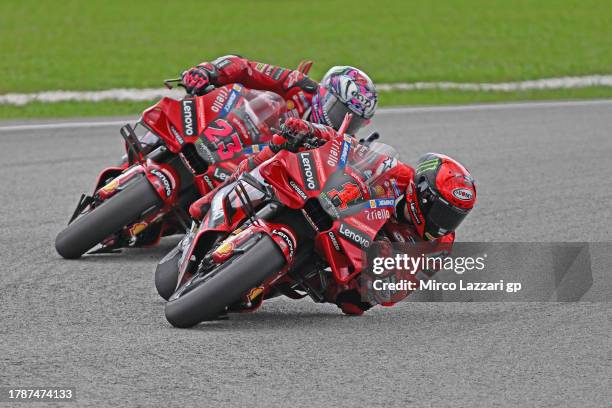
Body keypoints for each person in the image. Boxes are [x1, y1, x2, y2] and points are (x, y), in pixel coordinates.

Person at [189, 118, 477, 315]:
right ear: (421, 193)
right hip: (336, 213)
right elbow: (347, 146)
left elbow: (396, 289)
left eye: (454, 218)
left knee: (351, 303)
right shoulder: (399, 174)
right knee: (275, 157)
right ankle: (209, 204)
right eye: (442, 212)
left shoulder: (440, 246)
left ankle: (253, 281)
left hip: (351, 264)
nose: (444, 224)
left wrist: (379, 277)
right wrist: (310, 131)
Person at [181, 55, 378, 135]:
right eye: (340, 112)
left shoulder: (341, 144)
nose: (342, 123)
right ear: (325, 93)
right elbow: (245, 67)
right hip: (233, 133)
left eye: (354, 122)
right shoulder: (298, 84)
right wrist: (209, 70)